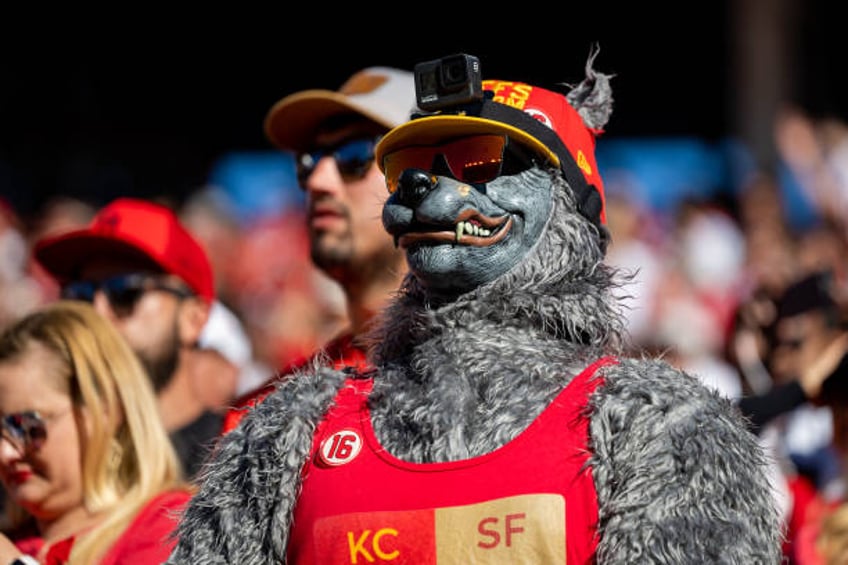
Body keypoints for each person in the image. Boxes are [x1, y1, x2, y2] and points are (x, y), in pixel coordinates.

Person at [167, 51, 781, 563]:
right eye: (408, 165)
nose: (423, 186)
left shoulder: (660, 430)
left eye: (480, 161)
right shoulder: (288, 433)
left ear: (568, 205)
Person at [220, 65, 416, 433]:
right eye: (308, 160)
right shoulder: (263, 422)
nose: (317, 181)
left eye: (355, 155)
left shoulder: (522, 383)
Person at [31, 197, 224, 481]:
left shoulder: (240, 461)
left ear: (193, 319)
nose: (97, 315)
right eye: (80, 296)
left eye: (125, 294)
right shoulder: (50, 466)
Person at [0, 300, 192, 564]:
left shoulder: (169, 528)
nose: (6, 452)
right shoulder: (11, 540)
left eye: (26, 426)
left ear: (107, 410)